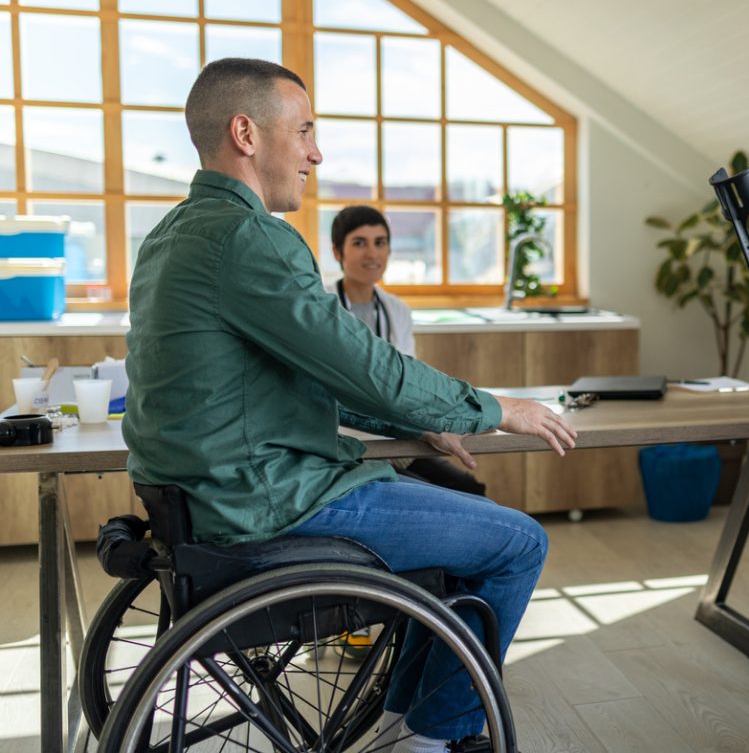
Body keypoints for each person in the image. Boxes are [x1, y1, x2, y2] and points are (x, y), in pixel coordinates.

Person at [122, 57, 577, 753]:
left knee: (460, 538)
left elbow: (306, 377)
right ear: (245, 132)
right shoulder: (250, 238)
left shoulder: (169, 237)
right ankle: (433, 737)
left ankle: (404, 723)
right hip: (269, 504)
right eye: (303, 130)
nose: (315, 151)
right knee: (519, 540)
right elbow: (362, 366)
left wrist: (425, 417)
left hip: (201, 501)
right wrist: (491, 407)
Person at [327, 204, 487, 496]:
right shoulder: (321, 305)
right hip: (344, 440)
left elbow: (405, 380)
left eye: (380, 243)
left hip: (397, 438)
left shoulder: (397, 310)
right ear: (338, 252)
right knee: (430, 494)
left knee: (468, 488)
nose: (372, 253)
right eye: (359, 243)